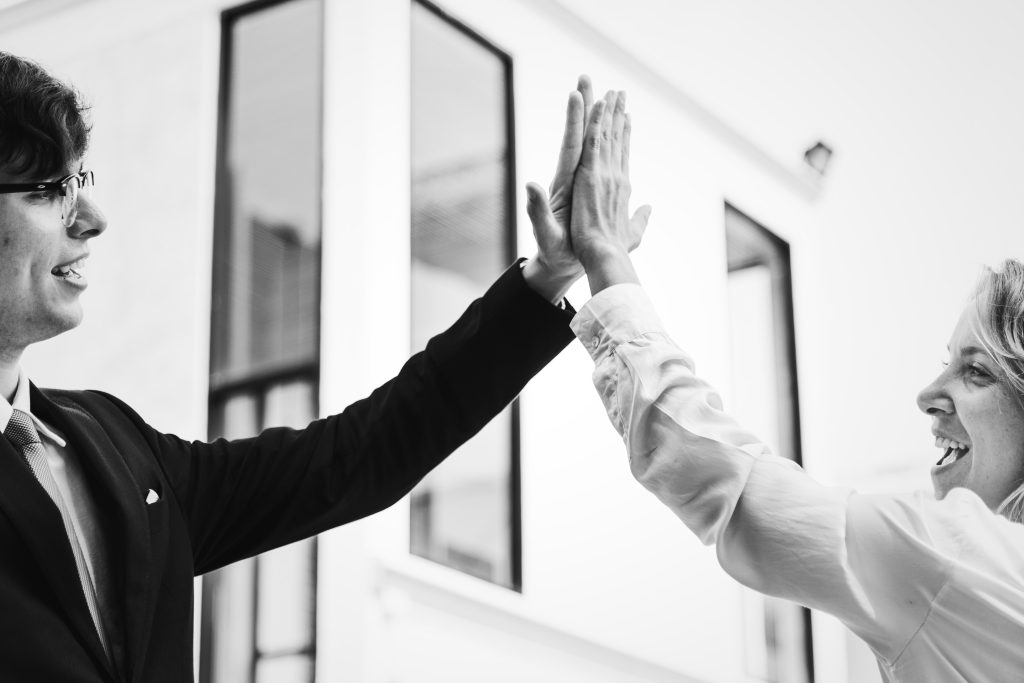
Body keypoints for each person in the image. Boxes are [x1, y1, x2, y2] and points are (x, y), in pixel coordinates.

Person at [0, 53, 644, 682]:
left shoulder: (109, 441)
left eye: (78, 183)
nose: (92, 220)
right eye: (47, 190)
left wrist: (548, 277)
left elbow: (357, 457)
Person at [565, 87, 1024, 681]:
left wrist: (607, 262)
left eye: (977, 371)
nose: (927, 395)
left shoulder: (962, 558)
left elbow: (737, 486)